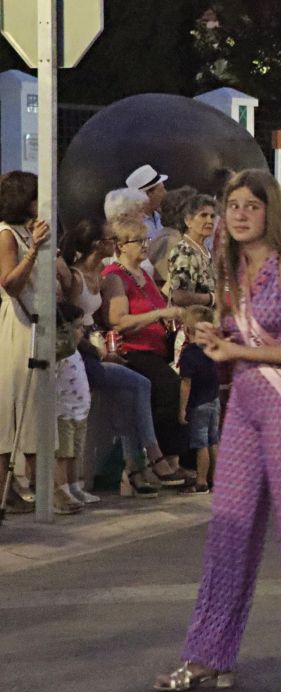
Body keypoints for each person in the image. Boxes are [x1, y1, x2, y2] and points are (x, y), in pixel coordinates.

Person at [153, 169, 281, 692]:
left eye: (250, 206)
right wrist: (219, 337)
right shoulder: (230, 269)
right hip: (245, 405)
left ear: (270, 212)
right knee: (229, 527)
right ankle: (208, 653)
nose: (239, 214)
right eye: (232, 205)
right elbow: (238, 341)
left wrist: (242, 350)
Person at [61, 217, 184, 496]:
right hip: (84, 352)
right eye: (110, 240)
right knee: (143, 384)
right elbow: (77, 321)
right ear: (97, 245)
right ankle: (152, 457)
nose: (114, 244)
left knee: (132, 390)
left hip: (99, 349)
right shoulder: (87, 277)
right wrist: (99, 349)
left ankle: (137, 466)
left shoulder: (103, 277)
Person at [102, 216, 190, 478]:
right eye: (138, 240)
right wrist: (156, 316)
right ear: (122, 246)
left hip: (156, 347)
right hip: (133, 349)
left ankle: (180, 458)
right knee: (167, 386)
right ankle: (162, 459)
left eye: (145, 239)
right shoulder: (115, 277)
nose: (144, 245)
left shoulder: (144, 274)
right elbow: (117, 321)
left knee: (185, 381)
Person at [0, 172, 51, 513]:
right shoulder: (6, 234)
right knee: (12, 407)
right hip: (16, 323)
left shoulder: (24, 230)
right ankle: (9, 485)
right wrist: (33, 250)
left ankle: (32, 484)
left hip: (35, 321)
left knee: (34, 405)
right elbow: (10, 284)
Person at [53, 302, 91, 514]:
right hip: (63, 411)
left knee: (76, 452)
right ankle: (62, 490)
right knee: (64, 454)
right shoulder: (61, 352)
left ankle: (76, 487)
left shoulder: (77, 352)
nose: (82, 331)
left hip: (79, 411)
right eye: (77, 327)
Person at [178, 305, 221, 494]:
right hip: (214, 399)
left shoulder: (189, 353)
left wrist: (182, 409)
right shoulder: (214, 350)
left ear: (188, 330)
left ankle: (201, 480)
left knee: (200, 444)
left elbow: (186, 383)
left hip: (198, 403)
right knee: (214, 441)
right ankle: (217, 479)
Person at [167, 194, 219, 308]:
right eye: (203, 215)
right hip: (192, 321)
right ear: (188, 221)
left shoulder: (205, 249)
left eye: (212, 216)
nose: (209, 220)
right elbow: (179, 296)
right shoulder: (184, 250)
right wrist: (213, 298)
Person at [125, 164, 169, 238]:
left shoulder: (162, 217)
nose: (165, 193)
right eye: (161, 190)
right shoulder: (133, 226)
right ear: (148, 194)